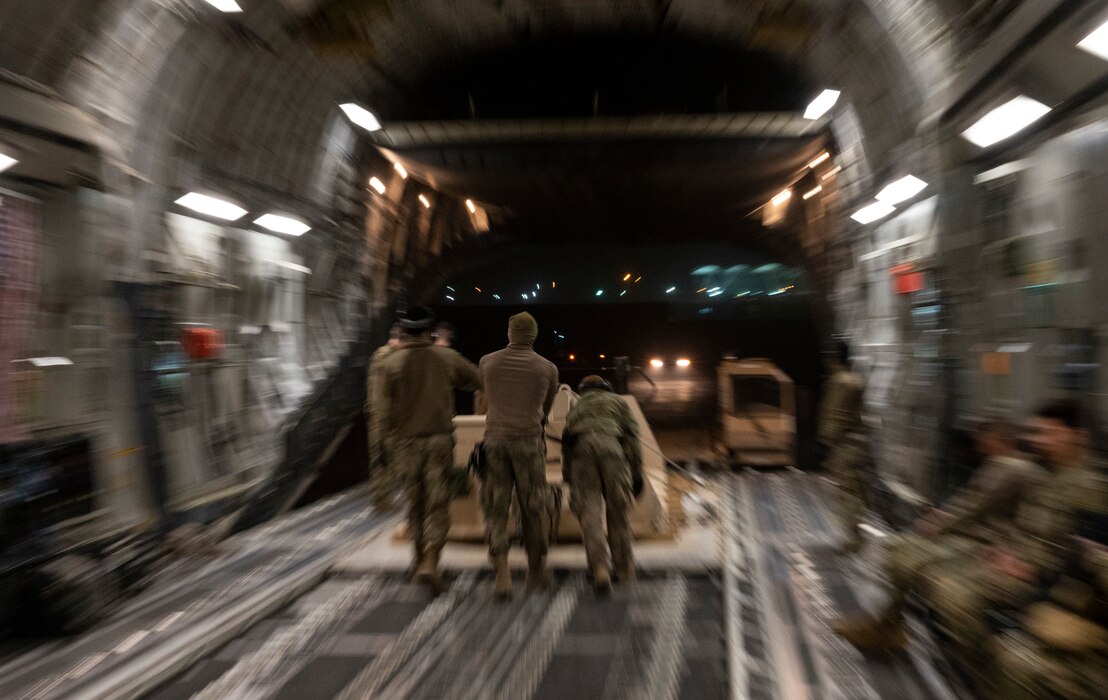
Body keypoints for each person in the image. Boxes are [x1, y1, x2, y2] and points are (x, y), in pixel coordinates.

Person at [833, 417, 1044, 650]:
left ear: (996, 439)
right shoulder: (1018, 466)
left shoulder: (1009, 466)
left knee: (904, 551)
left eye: (983, 441)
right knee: (902, 550)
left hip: (981, 543)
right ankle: (888, 622)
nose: (979, 447)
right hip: (978, 538)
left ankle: (891, 626)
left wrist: (936, 524)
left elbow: (973, 505)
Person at [929, 400, 1108, 658]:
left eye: (1050, 433)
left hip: (1047, 583)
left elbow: (1085, 557)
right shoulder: (1040, 476)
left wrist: (1036, 574)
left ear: (1078, 437)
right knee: (938, 579)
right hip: (1016, 564)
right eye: (1037, 433)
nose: (1039, 441)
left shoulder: (1093, 491)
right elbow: (1020, 526)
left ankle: (990, 664)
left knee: (952, 592)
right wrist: (1004, 551)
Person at [376, 306, 480, 591]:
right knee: (438, 505)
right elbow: (476, 379)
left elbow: (381, 413)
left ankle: (418, 561)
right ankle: (431, 562)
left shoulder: (389, 364)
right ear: (428, 331)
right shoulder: (444, 357)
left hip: (403, 445)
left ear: (404, 331)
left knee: (416, 505)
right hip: (437, 442)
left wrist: (382, 452)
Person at [479, 312, 560, 599]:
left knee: (495, 509)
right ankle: (535, 572)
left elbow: (487, 398)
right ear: (534, 336)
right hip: (528, 444)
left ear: (510, 333)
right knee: (533, 508)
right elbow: (545, 411)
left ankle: (502, 576)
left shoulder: (487, 362)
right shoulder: (547, 368)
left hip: (495, 442)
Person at [562, 375, 644, 595]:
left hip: (582, 453)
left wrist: (569, 478)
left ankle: (599, 569)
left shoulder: (577, 408)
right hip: (612, 449)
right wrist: (637, 474)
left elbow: (566, 445)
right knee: (618, 513)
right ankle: (623, 570)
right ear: (606, 388)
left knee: (589, 514)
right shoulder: (618, 402)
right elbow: (633, 440)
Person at [818, 340, 870, 552]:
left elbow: (835, 416)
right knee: (855, 491)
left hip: (845, 446)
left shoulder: (840, 381)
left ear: (834, 359)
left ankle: (854, 538)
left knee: (847, 493)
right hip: (857, 443)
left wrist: (826, 440)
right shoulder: (856, 380)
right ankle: (855, 534)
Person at [366, 322, 402, 511]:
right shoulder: (386, 358)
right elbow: (380, 395)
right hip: (383, 419)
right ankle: (381, 500)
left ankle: (382, 498)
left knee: (386, 459)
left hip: (384, 416)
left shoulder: (385, 356)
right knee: (384, 459)